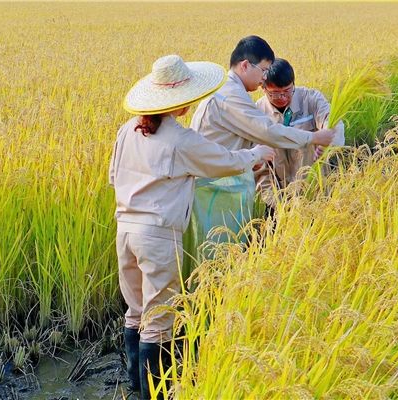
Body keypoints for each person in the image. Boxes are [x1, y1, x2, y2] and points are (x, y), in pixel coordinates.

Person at [109, 54, 274, 399]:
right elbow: (225, 161)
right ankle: (157, 394)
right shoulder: (180, 140)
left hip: (124, 230)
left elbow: (114, 177)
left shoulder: (127, 130)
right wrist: (257, 153)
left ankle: (136, 386)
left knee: (135, 312)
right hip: (156, 236)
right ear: (180, 103)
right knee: (158, 320)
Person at [188, 36, 335, 254]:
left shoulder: (307, 97)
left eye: (287, 91)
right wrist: (313, 138)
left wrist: (326, 135)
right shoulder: (234, 97)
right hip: (215, 189)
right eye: (264, 71)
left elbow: (331, 120)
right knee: (217, 251)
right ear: (246, 65)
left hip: (302, 191)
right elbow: (267, 133)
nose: (263, 78)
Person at [255, 58, 345, 213]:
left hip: (318, 192)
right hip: (284, 199)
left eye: (287, 91)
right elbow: (259, 168)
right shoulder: (257, 113)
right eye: (275, 93)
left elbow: (334, 125)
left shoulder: (311, 99)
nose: (282, 97)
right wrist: (275, 203)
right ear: (263, 88)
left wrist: (328, 143)